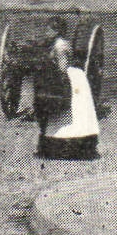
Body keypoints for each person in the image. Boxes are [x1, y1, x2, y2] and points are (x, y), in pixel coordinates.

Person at [34, 16, 100, 160]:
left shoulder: (59, 45)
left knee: (68, 111)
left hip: (68, 78)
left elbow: (62, 68)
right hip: (75, 76)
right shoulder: (60, 43)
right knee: (76, 113)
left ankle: (62, 147)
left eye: (49, 29)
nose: (46, 32)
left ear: (56, 31)